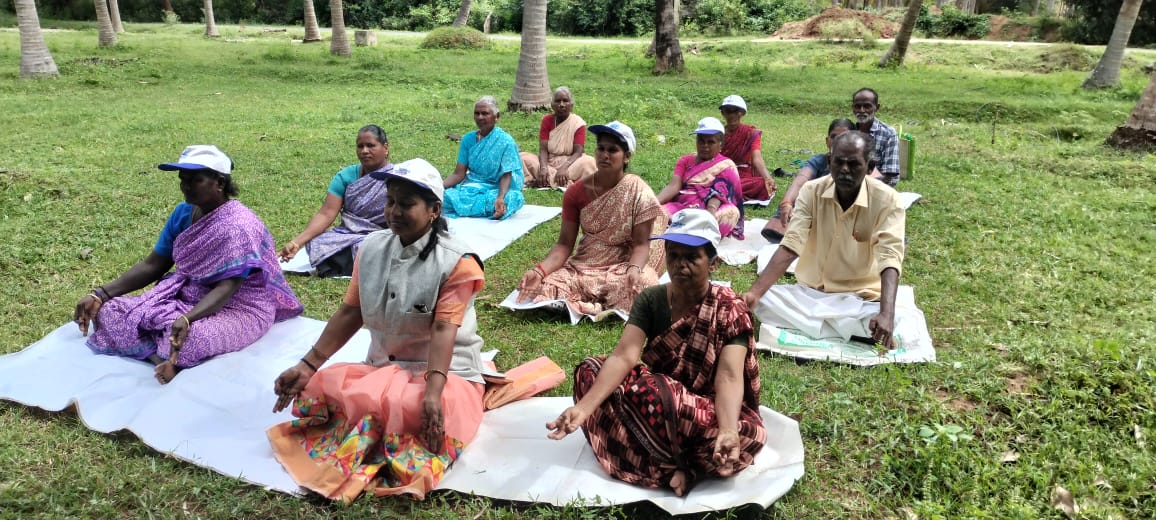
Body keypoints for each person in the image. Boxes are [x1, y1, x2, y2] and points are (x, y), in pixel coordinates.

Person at [268, 158, 488, 502]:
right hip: (384, 366)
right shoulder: (370, 248)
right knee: (324, 387)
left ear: (433, 210)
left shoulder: (457, 261)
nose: (394, 212)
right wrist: (308, 364)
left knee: (407, 408)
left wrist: (432, 394)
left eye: (406, 204)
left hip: (444, 373)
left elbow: (445, 330)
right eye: (390, 202)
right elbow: (350, 312)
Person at [547, 209, 766, 497]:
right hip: (656, 407)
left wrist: (726, 430)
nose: (680, 265)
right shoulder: (651, 300)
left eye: (691, 257)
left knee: (749, 435)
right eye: (673, 255)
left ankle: (666, 464)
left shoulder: (728, 309)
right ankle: (682, 467)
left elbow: (728, 376)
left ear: (712, 262)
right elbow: (624, 356)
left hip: (705, 411)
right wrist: (582, 409)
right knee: (590, 372)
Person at [73, 145, 303, 385]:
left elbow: (227, 288)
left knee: (193, 339)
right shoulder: (183, 213)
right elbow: (155, 264)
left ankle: (168, 352)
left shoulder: (239, 226)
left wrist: (188, 319)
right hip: (185, 295)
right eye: (183, 179)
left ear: (220, 183)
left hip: (240, 306)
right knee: (110, 310)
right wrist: (101, 294)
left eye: (196, 180)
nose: (186, 185)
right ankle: (161, 358)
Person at [743, 131, 905, 350]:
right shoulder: (811, 191)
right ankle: (847, 332)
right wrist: (753, 294)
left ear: (869, 167)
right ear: (829, 161)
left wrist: (886, 314)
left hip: (859, 299)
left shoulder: (887, 199)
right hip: (811, 294)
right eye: (839, 162)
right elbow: (792, 244)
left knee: (892, 318)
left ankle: (818, 327)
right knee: (764, 300)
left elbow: (890, 255)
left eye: (854, 164)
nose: (845, 170)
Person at [516, 121, 666, 316]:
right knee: (546, 285)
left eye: (612, 150)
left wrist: (634, 270)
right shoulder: (575, 192)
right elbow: (564, 245)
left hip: (622, 265)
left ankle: (589, 303)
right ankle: (597, 304)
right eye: (601, 148)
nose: (605, 155)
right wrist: (539, 271)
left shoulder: (638, 190)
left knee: (645, 283)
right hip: (585, 265)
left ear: (627, 156)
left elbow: (641, 245)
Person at [278, 125, 393, 277]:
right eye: (360, 146)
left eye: (371, 145)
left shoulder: (398, 178)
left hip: (382, 238)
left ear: (385, 148)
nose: (364, 151)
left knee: (372, 249)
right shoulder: (346, 176)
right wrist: (297, 243)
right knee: (318, 245)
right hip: (346, 235)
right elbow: (326, 214)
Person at [761, 118, 855, 242]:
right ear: (827, 141)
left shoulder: (859, 163)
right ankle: (786, 226)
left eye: (844, 137)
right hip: (814, 205)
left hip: (843, 209)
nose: (838, 142)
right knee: (795, 198)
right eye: (834, 137)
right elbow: (800, 180)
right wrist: (787, 203)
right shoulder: (819, 160)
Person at [656, 117, 745, 240]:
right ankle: (696, 233)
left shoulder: (726, 165)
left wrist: (709, 214)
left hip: (710, 211)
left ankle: (687, 231)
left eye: (711, 142)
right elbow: (673, 186)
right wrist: (653, 204)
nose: (705, 146)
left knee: (731, 213)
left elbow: (719, 193)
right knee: (656, 214)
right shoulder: (685, 160)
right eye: (701, 141)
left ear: (721, 145)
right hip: (682, 209)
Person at [443, 96, 525, 220]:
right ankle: (487, 210)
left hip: (495, 189)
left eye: (485, 113)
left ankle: (494, 207)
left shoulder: (506, 141)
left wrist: (500, 198)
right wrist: (436, 187)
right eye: (477, 113)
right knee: (444, 196)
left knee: (514, 198)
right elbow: (458, 174)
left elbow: (506, 175)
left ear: (497, 116)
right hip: (471, 187)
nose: (480, 117)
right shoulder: (468, 139)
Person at [519, 86, 597, 189]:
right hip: (549, 162)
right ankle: (558, 180)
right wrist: (543, 168)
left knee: (589, 162)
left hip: (571, 163)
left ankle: (546, 180)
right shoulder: (547, 120)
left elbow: (578, 152)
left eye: (565, 101)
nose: (561, 105)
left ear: (571, 104)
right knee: (522, 158)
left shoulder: (578, 123)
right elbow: (543, 149)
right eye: (558, 101)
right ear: (552, 105)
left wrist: (564, 168)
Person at [718, 94, 776, 201]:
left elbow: (756, 157)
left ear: (742, 113)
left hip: (743, 175)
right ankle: (723, 190)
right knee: (713, 181)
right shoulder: (718, 133)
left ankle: (721, 191)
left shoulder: (751, 133)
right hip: (722, 172)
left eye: (736, 111)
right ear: (723, 113)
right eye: (728, 111)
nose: (732, 115)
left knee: (762, 185)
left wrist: (767, 178)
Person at [852, 88, 901, 187]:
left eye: (867, 106)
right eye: (857, 106)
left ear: (877, 107)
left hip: (878, 187)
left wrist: (863, 187)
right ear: (852, 108)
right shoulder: (849, 132)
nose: (861, 111)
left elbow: (889, 176)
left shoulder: (888, 133)